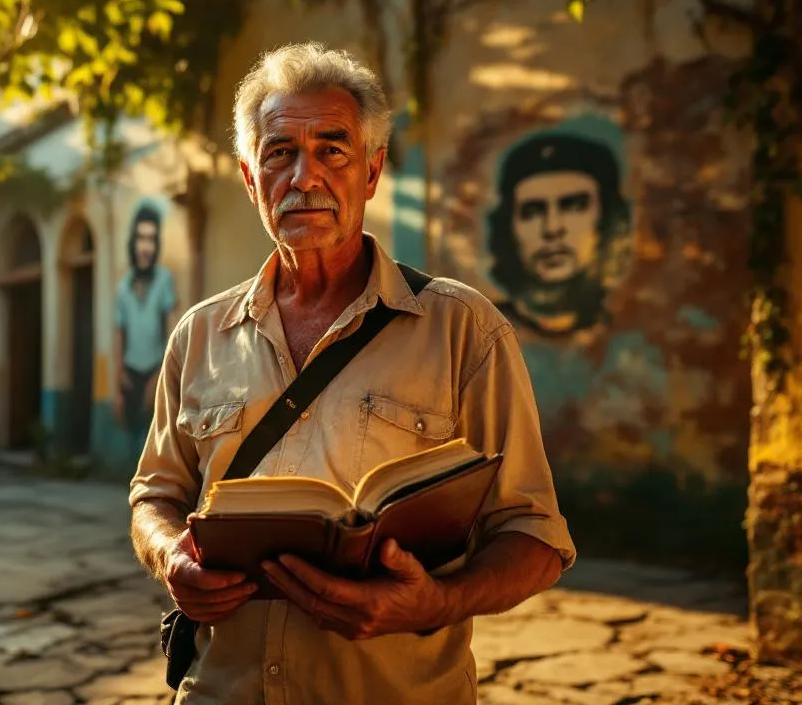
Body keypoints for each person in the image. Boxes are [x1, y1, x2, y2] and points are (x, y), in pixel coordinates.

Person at [128, 42, 576, 704]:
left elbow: (534, 536)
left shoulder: (462, 329)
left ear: (371, 172)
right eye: (279, 152)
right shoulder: (198, 336)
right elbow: (153, 496)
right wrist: (170, 555)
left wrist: (432, 603)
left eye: (332, 149)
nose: (304, 177)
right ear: (251, 179)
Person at [487, 132, 630, 336]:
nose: (552, 229)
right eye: (533, 212)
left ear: (607, 219)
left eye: (573, 206)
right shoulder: (481, 335)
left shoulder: (636, 338)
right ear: (508, 227)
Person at [113, 202, 178, 459]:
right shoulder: (123, 287)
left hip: (156, 369)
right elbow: (119, 334)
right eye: (141, 238)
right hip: (130, 373)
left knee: (155, 441)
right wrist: (117, 381)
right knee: (132, 440)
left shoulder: (164, 280)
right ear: (133, 241)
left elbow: (172, 330)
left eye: (151, 239)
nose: (146, 247)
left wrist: (158, 376)